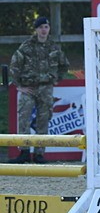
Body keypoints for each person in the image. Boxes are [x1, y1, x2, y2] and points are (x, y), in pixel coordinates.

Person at [8, 16, 70, 164]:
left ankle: (39, 154)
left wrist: (55, 79)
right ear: (36, 29)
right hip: (29, 88)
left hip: (46, 89)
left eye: (46, 27)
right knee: (24, 119)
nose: (43, 30)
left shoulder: (54, 47)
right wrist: (19, 86)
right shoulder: (26, 46)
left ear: (49, 29)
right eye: (41, 27)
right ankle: (23, 152)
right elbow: (14, 66)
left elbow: (64, 65)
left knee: (43, 120)